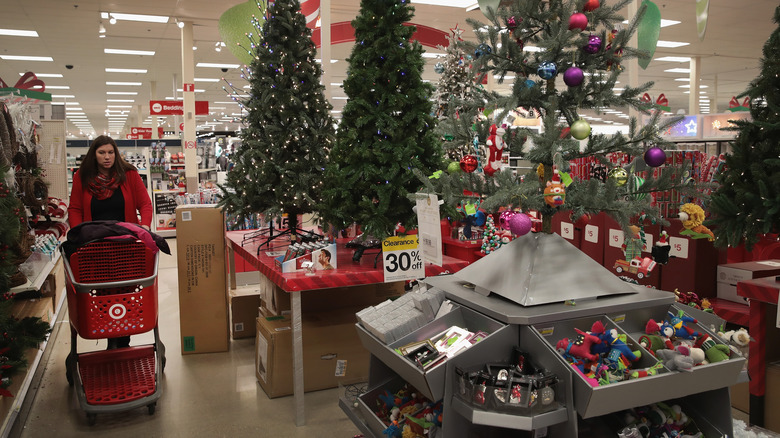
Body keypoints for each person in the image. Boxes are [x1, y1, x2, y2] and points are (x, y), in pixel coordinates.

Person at [68, 135, 153, 349]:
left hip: (126, 246)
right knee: (101, 293)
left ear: (116, 153)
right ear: (94, 155)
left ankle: (123, 338)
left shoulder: (129, 175)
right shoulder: (82, 177)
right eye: (102, 153)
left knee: (125, 290)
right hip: (95, 248)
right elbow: (75, 208)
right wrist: (78, 233)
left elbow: (145, 204)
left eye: (110, 152)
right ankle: (110, 337)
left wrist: (145, 225)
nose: (107, 157)